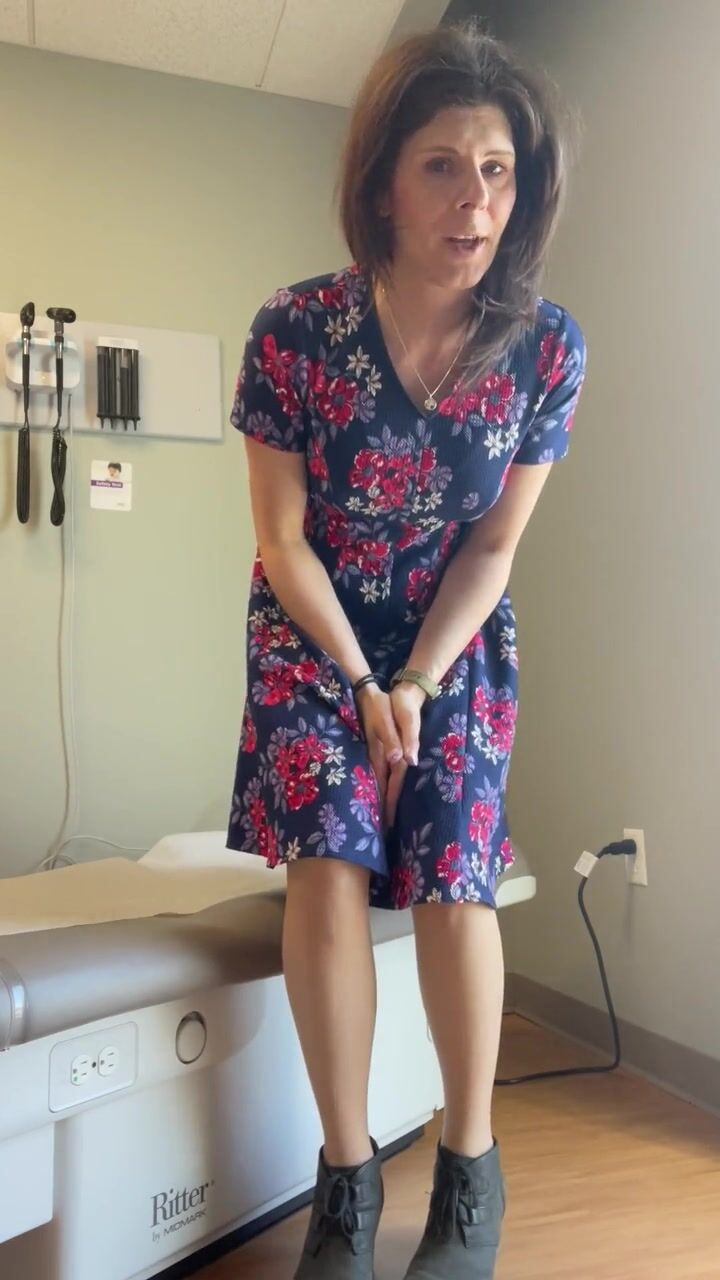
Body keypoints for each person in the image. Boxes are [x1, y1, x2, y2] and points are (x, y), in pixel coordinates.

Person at [226, 19, 587, 1280]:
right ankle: (346, 1179)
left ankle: (470, 1169)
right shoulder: (294, 328)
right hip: (315, 630)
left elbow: (494, 545)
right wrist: (361, 684)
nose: (474, 200)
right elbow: (281, 537)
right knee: (328, 857)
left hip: (453, 636)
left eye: (496, 170)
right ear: (383, 181)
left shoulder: (547, 348)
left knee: (453, 868)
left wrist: (422, 680)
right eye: (442, 166)